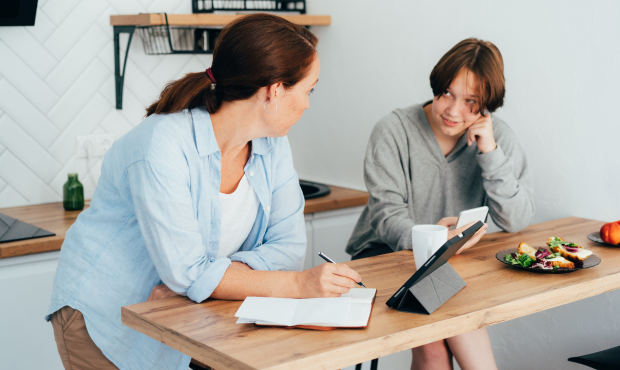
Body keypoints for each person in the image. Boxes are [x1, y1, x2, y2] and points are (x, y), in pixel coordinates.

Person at [46, 14, 361, 370]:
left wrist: (205, 280)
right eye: (309, 89)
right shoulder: (161, 145)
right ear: (274, 90)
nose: (307, 103)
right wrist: (295, 285)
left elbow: (288, 250)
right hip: (105, 316)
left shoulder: (273, 146)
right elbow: (190, 274)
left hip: (186, 316)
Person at [346, 38, 534, 370]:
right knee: (436, 343)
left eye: (470, 101)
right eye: (446, 92)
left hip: (452, 262)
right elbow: (387, 217)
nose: (452, 109)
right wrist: (434, 239)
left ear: (487, 104)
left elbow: (517, 218)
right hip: (388, 255)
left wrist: (489, 153)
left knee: (459, 319)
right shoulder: (394, 130)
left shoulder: (498, 137)